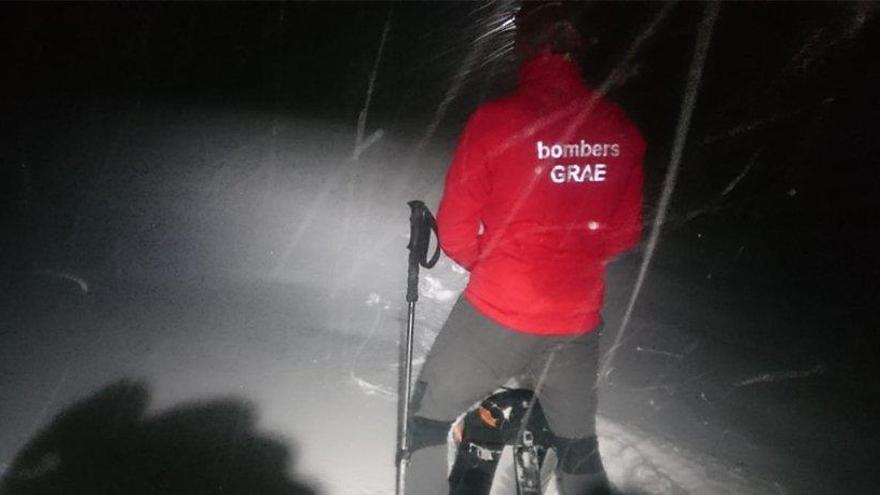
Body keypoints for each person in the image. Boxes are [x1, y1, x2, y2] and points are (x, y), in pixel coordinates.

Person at [405, 4, 645, 494]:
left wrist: (499, 268)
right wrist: (568, 259)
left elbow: (453, 231)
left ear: (525, 47)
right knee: (579, 447)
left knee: (428, 418)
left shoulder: (497, 120)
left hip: (497, 315)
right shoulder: (620, 129)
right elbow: (623, 235)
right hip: (576, 323)